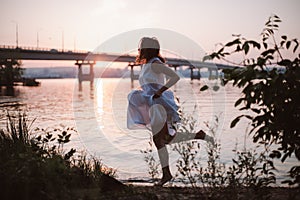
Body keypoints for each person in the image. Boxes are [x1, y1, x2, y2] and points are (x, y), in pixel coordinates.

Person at [127, 37, 214, 186]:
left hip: (158, 105)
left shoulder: (155, 63)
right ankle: (197, 136)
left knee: (159, 139)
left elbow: (174, 77)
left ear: (148, 49)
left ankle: (166, 174)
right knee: (165, 139)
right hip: (152, 104)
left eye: (142, 47)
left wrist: (160, 91)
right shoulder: (147, 64)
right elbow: (150, 84)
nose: (139, 49)